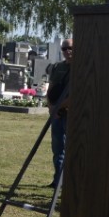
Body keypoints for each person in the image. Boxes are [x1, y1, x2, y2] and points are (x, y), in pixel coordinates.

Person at [46, 38, 73, 188]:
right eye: (64, 49)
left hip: (71, 113)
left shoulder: (81, 67)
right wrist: (52, 108)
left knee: (71, 148)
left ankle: (69, 181)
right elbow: (51, 88)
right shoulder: (58, 67)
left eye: (71, 48)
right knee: (57, 147)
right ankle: (58, 180)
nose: (67, 51)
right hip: (57, 114)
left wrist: (59, 106)